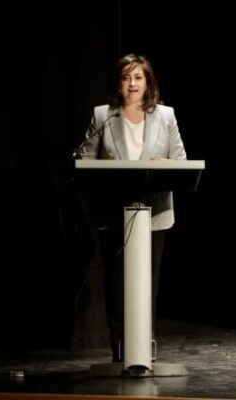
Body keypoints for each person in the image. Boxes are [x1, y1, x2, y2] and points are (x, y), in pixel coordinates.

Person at [77, 53, 187, 362]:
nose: (132, 83)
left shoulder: (165, 116)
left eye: (138, 77)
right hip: (114, 213)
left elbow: (180, 160)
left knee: (147, 284)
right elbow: (85, 161)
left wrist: (164, 163)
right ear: (118, 84)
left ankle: (143, 350)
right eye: (126, 77)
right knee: (118, 286)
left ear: (148, 83)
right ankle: (120, 351)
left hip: (155, 213)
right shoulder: (103, 116)